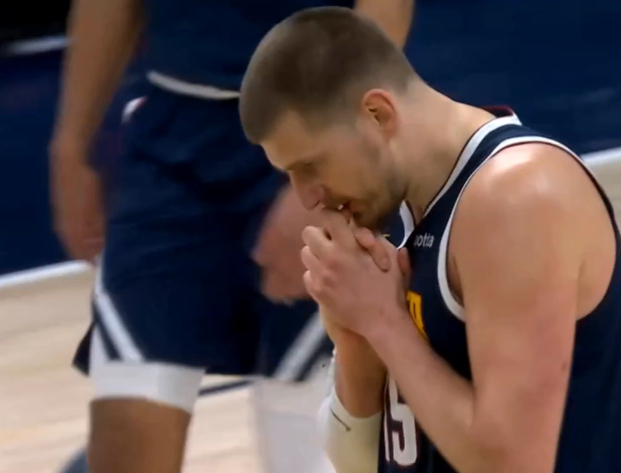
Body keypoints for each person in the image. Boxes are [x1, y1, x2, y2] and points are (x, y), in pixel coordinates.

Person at [238, 6, 621, 473]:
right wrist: (358, 340)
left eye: (310, 165)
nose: (306, 196)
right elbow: (359, 462)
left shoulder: (518, 198)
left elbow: (514, 466)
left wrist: (384, 321)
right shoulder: (392, 205)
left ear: (377, 114)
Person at [49, 1, 414, 473]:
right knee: (127, 434)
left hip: (311, 122)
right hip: (170, 143)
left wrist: (324, 164)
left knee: (311, 443)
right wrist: (71, 143)